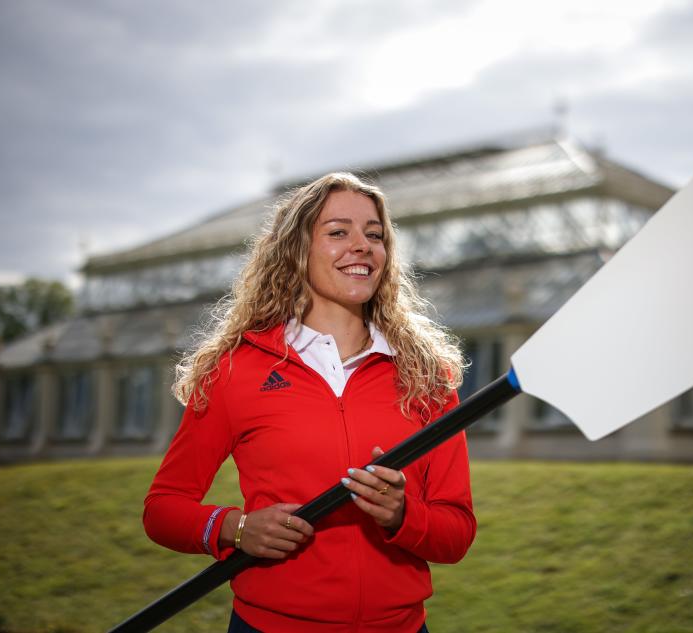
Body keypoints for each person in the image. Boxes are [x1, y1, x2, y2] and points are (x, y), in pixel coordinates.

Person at [143, 172, 476, 633]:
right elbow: (163, 508)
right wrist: (235, 527)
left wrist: (403, 514)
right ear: (297, 251)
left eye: (374, 235)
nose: (362, 245)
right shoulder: (236, 370)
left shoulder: (427, 376)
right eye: (338, 232)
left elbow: (456, 533)